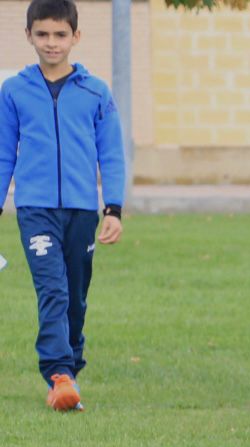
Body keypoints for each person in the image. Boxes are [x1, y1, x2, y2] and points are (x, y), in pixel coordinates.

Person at [0, 0, 126, 413]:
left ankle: (71, 363)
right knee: (51, 288)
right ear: (28, 36)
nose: (51, 43)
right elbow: (3, 154)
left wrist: (113, 208)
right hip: (35, 208)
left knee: (75, 294)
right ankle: (58, 374)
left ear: (75, 36)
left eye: (59, 34)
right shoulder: (14, 91)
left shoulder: (95, 91)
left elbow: (111, 153)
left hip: (81, 210)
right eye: (42, 34)